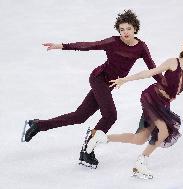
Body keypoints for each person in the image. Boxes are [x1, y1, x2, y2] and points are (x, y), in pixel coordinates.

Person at [23, 10, 164, 166]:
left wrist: (166, 84)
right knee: (110, 115)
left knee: (79, 116)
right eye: (122, 29)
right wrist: (62, 46)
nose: (125, 32)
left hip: (108, 85)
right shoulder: (113, 42)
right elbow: (89, 45)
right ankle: (87, 150)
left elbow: (152, 69)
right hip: (99, 79)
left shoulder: (141, 48)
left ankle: (38, 125)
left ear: (135, 29)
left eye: (128, 28)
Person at [86, 36, 183, 179]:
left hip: (164, 104)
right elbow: (149, 72)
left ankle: (101, 137)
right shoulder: (173, 62)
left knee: (140, 139)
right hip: (152, 97)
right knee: (164, 130)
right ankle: (141, 163)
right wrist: (125, 79)